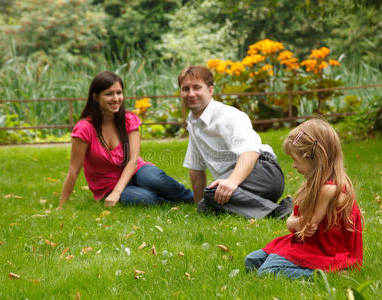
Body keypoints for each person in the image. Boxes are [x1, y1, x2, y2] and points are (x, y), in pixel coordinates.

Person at [244, 119, 363, 279]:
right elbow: (297, 222)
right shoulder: (314, 185)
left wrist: (292, 222)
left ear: (313, 158)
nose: (293, 165)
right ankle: (294, 265)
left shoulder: (329, 189)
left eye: (296, 160)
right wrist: (293, 222)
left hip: (325, 250)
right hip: (308, 242)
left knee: (267, 272)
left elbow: (307, 224)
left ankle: (328, 274)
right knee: (252, 261)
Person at [58, 71, 193, 209]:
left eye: (119, 93)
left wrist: (117, 193)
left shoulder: (128, 120)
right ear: (96, 97)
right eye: (109, 94)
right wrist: (61, 206)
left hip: (135, 171)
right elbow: (73, 171)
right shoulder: (84, 129)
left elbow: (133, 160)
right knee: (146, 199)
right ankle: (169, 202)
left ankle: (195, 198)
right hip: (108, 185)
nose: (116, 98)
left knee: (153, 179)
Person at [179, 65, 291, 219]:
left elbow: (250, 151)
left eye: (197, 87)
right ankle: (267, 206)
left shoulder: (228, 115)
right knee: (205, 207)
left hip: (263, 171)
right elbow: (196, 169)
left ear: (210, 91)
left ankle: (279, 212)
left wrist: (232, 181)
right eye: (185, 89)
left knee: (214, 191)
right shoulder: (193, 124)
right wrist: (199, 204)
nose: (191, 94)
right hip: (242, 185)